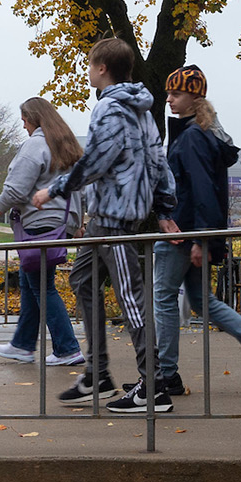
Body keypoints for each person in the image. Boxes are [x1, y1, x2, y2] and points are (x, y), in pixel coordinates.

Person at [34, 37, 173, 413]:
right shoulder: (143, 110)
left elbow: (95, 161)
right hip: (109, 218)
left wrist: (54, 190)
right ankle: (97, 375)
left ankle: (153, 386)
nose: (88, 71)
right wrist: (163, 208)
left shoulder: (111, 109)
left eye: (90, 64)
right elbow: (159, 162)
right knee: (82, 279)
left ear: (101, 69)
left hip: (115, 218)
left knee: (131, 297)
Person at [151, 66, 241, 398]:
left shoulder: (191, 138)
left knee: (163, 298)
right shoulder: (201, 135)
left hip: (182, 234)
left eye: (175, 94)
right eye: (168, 94)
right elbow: (208, 192)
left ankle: (165, 375)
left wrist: (201, 240)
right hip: (192, 233)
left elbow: (202, 192)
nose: (169, 100)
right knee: (204, 302)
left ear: (193, 97)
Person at [0, 98, 85, 368]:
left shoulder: (35, 145)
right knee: (30, 283)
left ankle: (67, 349)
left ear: (35, 118)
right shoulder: (65, 145)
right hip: (59, 221)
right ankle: (23, 345)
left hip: (40, 222)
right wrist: (79, 221)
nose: (23, 124)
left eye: (25, 119)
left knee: (42, 287)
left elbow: (16, 189)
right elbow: (81, 186)